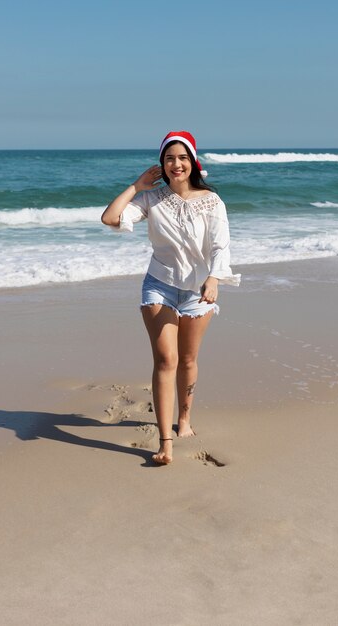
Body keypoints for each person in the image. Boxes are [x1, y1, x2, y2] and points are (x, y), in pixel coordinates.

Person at [101, 131, 240, 465]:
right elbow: (110, 219)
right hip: (159, 285)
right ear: (161, 164)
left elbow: (221, 245)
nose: (176, 164)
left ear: (192, 162)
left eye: (182, 158)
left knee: (188, 361)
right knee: (166, 360)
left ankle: (185, 418)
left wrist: (214, 278)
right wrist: (136, 186)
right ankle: (165, 442)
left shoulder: (212, 202)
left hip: (198, 290)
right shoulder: (152, 199)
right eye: (169, 158)